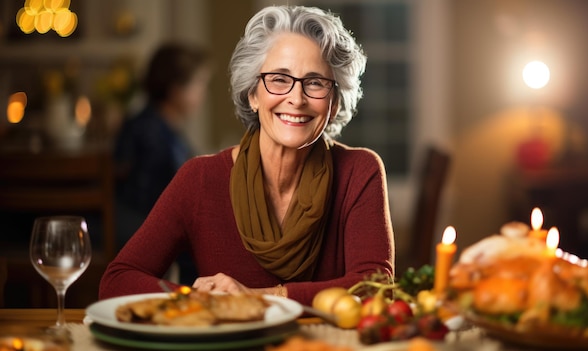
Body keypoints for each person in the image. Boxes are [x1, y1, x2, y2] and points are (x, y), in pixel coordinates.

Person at [100, 5, 394, 306]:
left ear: (333, 103)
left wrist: (260, 297)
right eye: (279, 79)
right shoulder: (200, 179)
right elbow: (118, 280)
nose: (296, 98)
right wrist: (197, 299)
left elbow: (375, 286)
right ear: (253, 94)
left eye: (315, 82)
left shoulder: (360, 171)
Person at [114, 42, 210, 247]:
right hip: (140, 228)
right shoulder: (151, 132)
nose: (203, 94)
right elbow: (160, 197)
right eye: (198, 84)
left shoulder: (160, 125)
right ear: (176, 91)